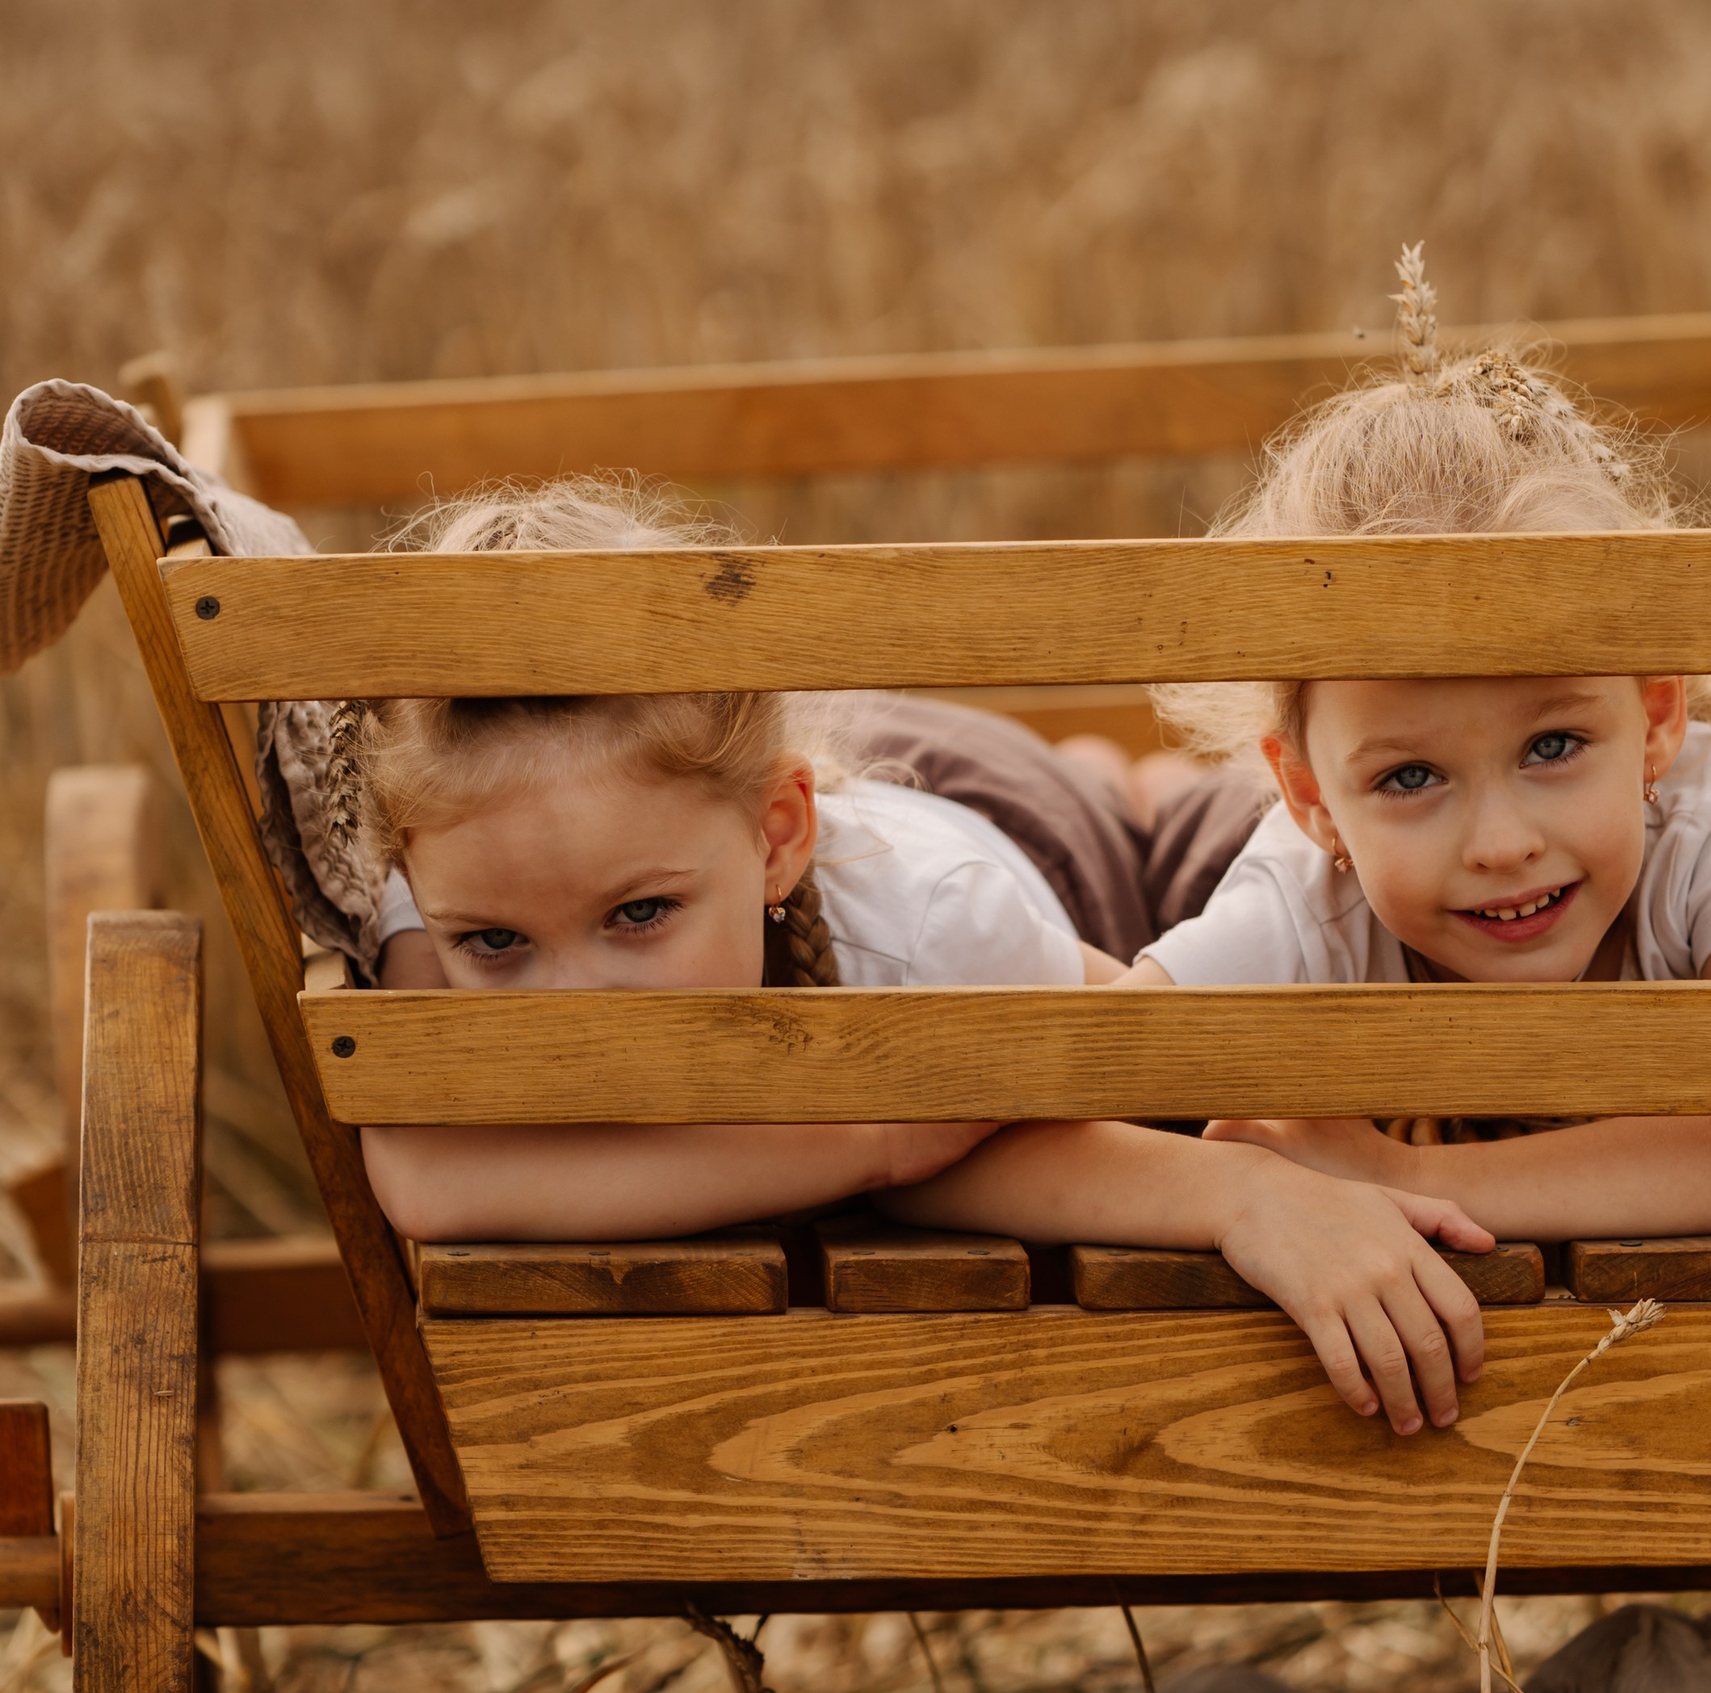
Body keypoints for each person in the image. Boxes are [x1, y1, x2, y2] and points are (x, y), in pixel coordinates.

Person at [355, 478, 1497, 1431]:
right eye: (495, 944)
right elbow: (426, 1176)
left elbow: (1142, 1059)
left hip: (1012, 823)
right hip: (847, 758)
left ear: (775, 841)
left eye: (640, 915)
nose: (572, 1006)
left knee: (1144, 835)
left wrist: (1252, 1189)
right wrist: (881, 1138)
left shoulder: (936, 926)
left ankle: (1120, 783)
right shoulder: (471, 848)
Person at [1099, 247, 1711, 1243]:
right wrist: (1248, 1193)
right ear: (1311, 798)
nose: (1503, 845)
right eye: (1412, 775)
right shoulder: (1301, 893)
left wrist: (1398, 1174)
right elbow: (1054, 1092)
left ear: (1657, 718)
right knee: (1131, 818)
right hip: (1205, 850)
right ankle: (1128, 786)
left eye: (1552, 746)